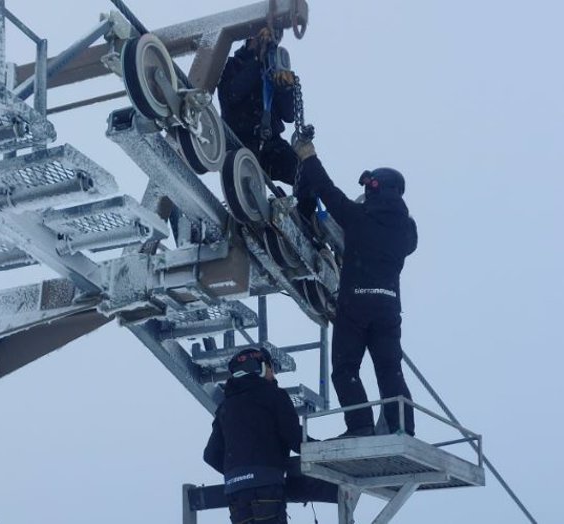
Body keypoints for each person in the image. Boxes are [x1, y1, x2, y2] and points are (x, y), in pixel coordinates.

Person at [293, 138, 418, 438]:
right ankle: (403, 428)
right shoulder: (407, 232)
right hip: (388, 307)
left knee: (346, 369)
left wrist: (308, 156)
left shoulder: (359, 218)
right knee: (390, 370)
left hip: (355, 305)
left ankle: (360, 426)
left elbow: (327, 191)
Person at [217, 28, 315, 218]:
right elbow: (232, 94)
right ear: (250, 39)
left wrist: (285, 88)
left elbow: (288, 115)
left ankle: (305, 223)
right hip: (241, 144)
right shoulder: (231, 65)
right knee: (246, 193)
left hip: (271, 145)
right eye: (262, 39)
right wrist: (256, 63)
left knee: (307, 177)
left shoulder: (272, 74)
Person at [203, 347, 305, 524]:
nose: (274, 374)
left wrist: (240, 470)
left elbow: (210, 455)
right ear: (263, 368)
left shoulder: (225, 407)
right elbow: (296, 440)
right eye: (272, 368)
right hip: (267, 485)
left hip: (235, 489)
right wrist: (323, 450)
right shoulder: (274, 395)